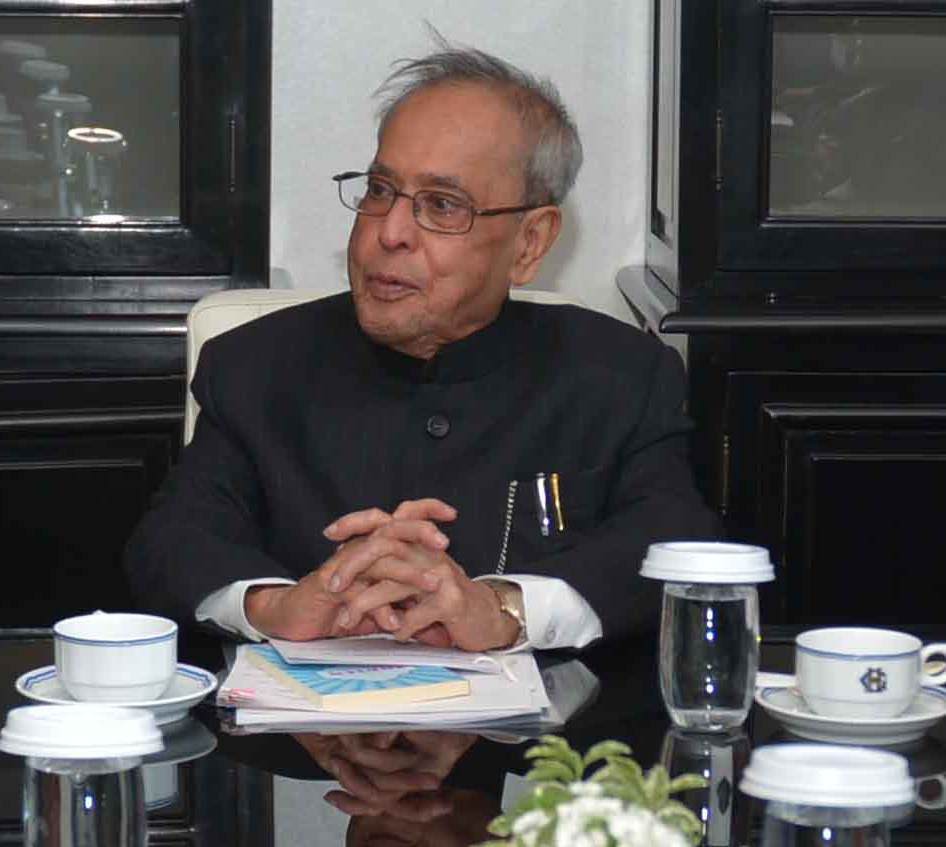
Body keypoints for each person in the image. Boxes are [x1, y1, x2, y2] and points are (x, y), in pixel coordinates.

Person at [122, 45, 722, 653]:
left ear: (530, 243)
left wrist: (506, 609)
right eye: (380, 189)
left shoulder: (621, 375)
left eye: (442, 205)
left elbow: (674, 541)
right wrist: (276, 605)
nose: (389, 232)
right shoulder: (254, 367)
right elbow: (171, 541)